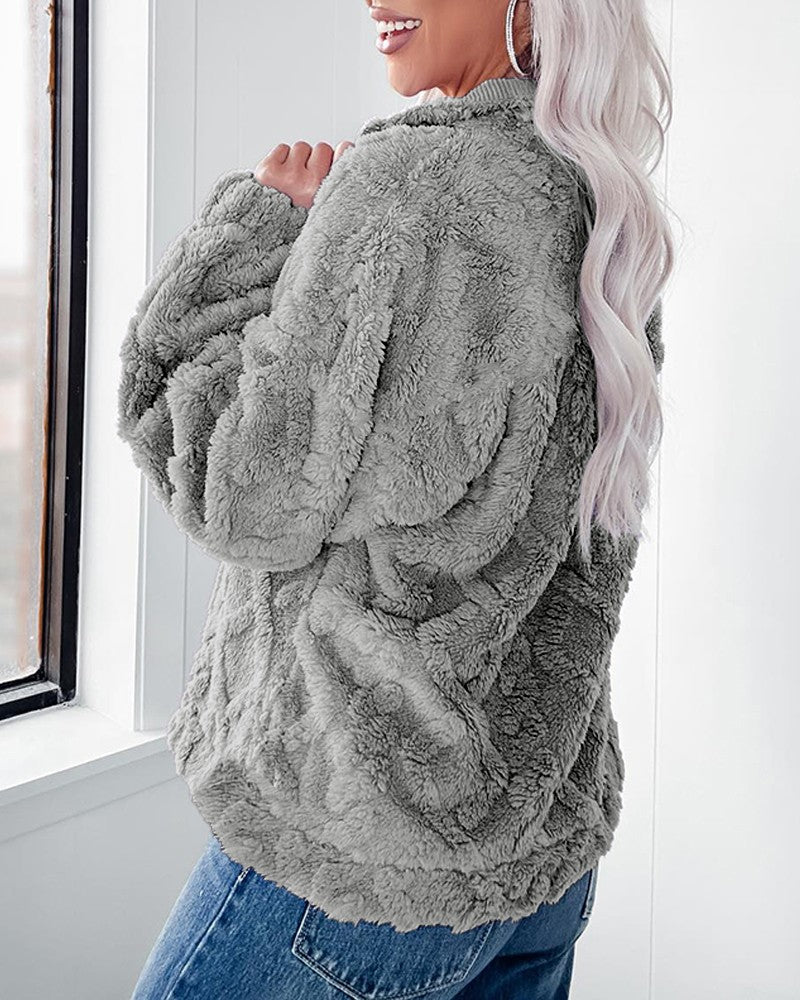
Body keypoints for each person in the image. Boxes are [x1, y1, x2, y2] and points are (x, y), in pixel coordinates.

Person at [120, 0, 674, 996]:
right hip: (528, 859)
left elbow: (237, 490)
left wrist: (254, 235)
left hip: (360, 856)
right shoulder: (594, 199)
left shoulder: (410, 191)